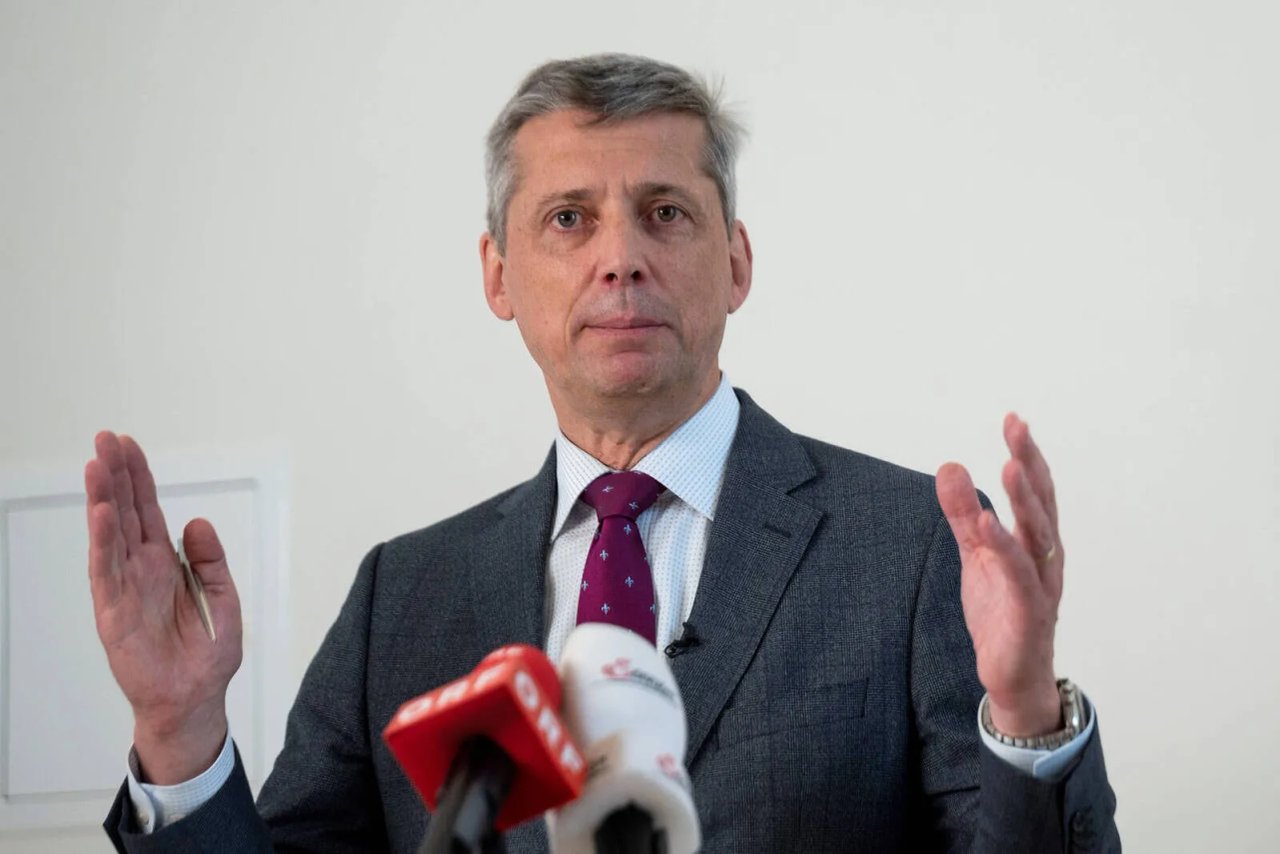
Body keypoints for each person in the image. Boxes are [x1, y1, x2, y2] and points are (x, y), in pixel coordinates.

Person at [88, 53, 1119, 852]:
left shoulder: (909, 547)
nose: (619, 257)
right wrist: (178, 730)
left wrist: (1026, 715)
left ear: (735, 261)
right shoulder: (401, 598)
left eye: (664, 213)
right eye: (568, 219)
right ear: (498, 276)